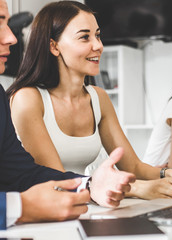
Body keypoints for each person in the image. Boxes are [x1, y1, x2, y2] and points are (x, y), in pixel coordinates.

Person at [7, 1, 172, 200]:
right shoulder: (27, 98)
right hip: (49, 211)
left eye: (97, 35)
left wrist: (170, 175)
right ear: (54, 46)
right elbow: (56, 180)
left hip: (89, 205)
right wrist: (138, 189)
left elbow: (133, 166)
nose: (98, 46)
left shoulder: (99, 98)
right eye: (84, 37)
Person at [0, 0, 135, 229]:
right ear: (54, 46)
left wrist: (90, 185)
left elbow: (21, 172)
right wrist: (18, 207)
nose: (12, 38)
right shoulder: (27, 98)